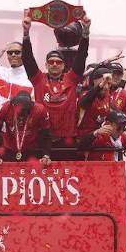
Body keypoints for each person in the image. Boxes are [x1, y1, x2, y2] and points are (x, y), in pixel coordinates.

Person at [21, 11, 90, 151]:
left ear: (64, 65)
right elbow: (27, 58)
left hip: (68, 139)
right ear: (46, 65)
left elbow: (81, 57)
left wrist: (86, 32)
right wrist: (26, 33)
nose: (54, 64)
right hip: (43, 138)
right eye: (51, 62)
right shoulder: (38, 79)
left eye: (58, 62)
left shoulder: (71, 78)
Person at [0, 91, 52, 165]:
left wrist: (46, 155)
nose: (21, 117)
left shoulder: (40, 110)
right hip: (9, 148)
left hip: (31, 149)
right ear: (13, 105)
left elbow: (46, 134)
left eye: (24, 113)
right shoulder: (5, 107)